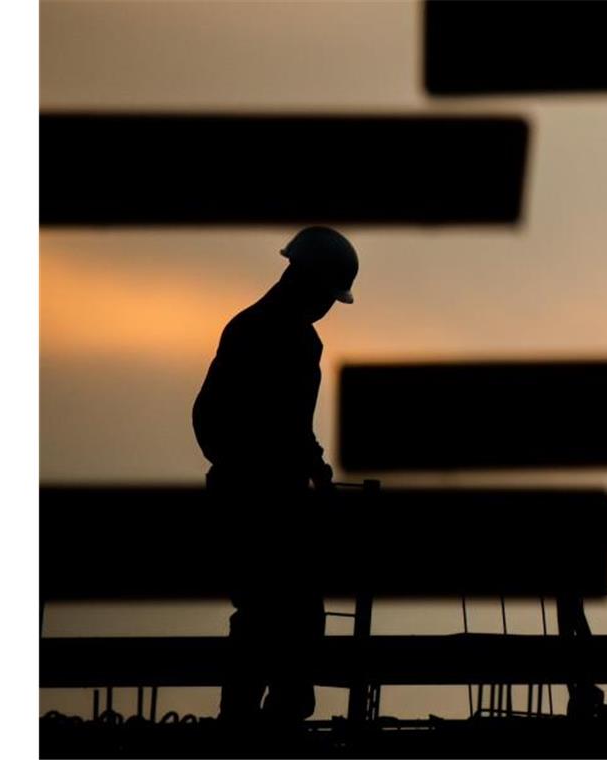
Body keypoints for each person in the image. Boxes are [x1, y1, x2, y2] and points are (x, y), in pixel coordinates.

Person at [193, 226, 359, 724]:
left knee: (265, 618)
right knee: (287, 619)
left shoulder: (251, 328)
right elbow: (279, 424)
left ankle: (248, 724)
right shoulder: (285, 340)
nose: (328, 307)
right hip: (261, 504)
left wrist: (307, 464)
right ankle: (263, 727)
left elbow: (230, 421)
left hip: (249, 497)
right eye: (328, 296)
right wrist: (301, 469)